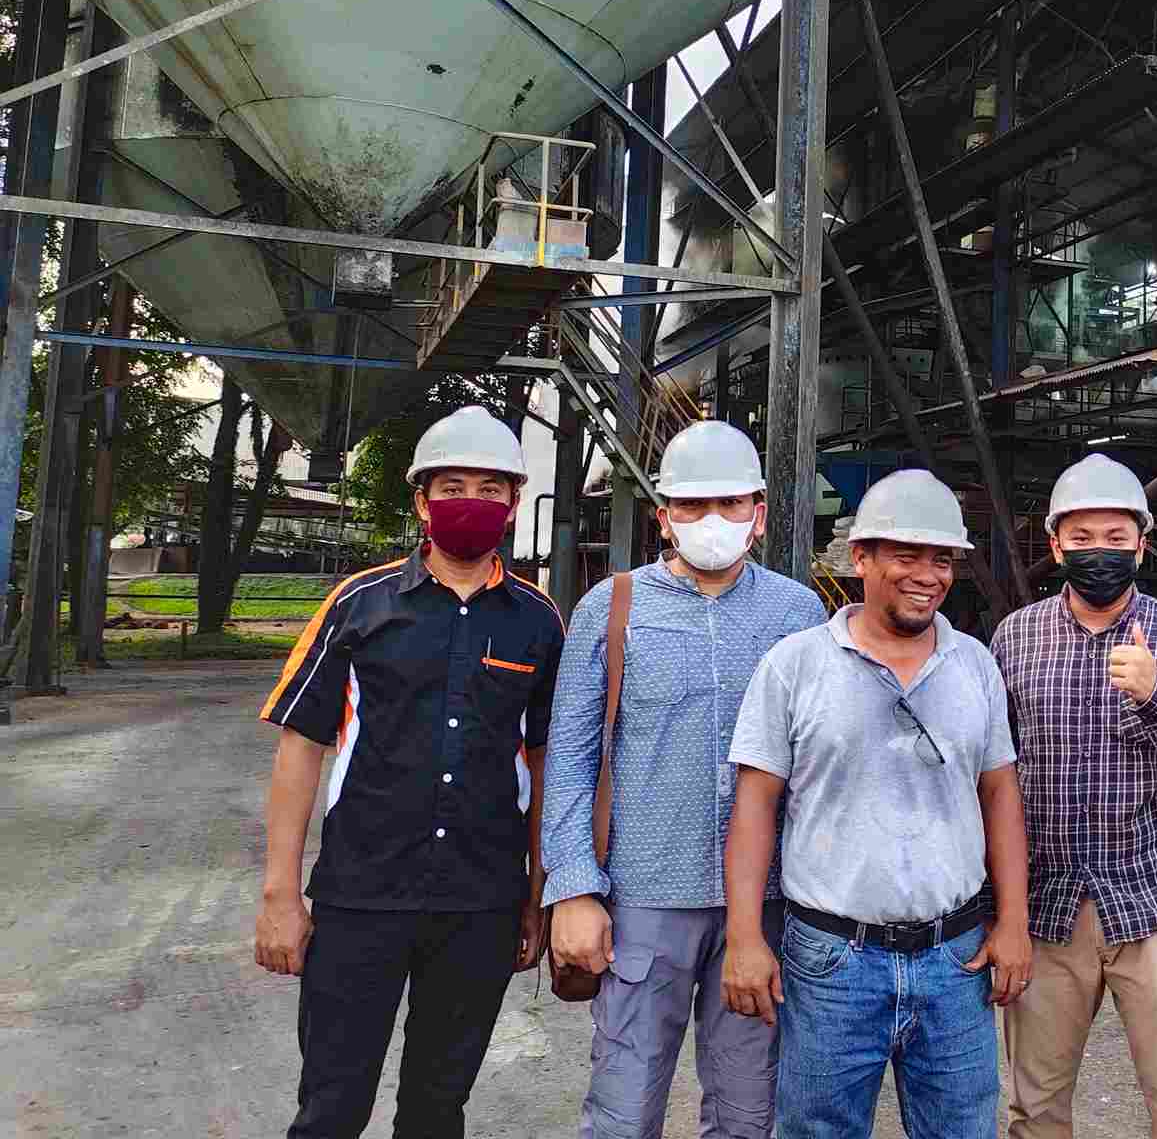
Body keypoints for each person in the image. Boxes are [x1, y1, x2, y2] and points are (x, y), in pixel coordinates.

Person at [253, 405, 563, 1139]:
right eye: (452, 487)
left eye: (490, 489)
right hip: (361, 896)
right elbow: (301, 746)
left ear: (514, 502)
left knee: (437, 1107)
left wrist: (537, 894)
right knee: (331, 1107)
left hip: (480, 903)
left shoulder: (538, 620)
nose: (471, 502)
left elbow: (546, 762)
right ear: (422, 501)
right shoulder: (358, 606)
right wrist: (280, 894)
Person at [720, 469, 1032, 1139]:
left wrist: (1013, 922)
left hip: (956, 960)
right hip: (832, 962)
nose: (927, 575)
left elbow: (1000, 792)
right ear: (860, 557)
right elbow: (754, 806)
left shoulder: (974, 665)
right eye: (906, 555)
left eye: (941, 559)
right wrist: (744, 937)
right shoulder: (795, 665)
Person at [544, 421, 824, 1138]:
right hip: (642, 899)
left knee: (747, 1110)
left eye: (730, 504)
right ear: (663, 516)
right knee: (623, 1107)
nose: (712, 520)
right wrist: (573, 889)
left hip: (764, 905)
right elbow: (571, 758)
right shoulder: (611, 608)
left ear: (759, 514)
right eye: (693, 505)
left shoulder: (798, 614)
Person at [993, 453, 1157, 1139]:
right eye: (1081, 538)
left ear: (1141, 543)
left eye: (1115, 537)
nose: (1098, 552)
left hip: (1155, 905)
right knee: (1035, 1108)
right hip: (1047, 910)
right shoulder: (1015, 638)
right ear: (1055, 545)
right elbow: (992, 776)